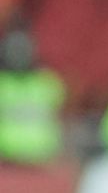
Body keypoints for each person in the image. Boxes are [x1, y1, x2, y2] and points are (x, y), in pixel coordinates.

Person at [0, 29, 66, 165]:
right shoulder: (2, 83)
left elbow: (63, 117)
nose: (18, 57)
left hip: (42, 158)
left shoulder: (48, 83)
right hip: (6, 160)